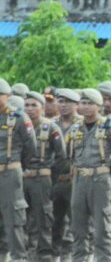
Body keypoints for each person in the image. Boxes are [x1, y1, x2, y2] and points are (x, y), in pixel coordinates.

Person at [67, 88, 111, 262]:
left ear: (99, 106)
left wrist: (107, 173)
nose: (86, 107)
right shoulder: (75, 128)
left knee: (102, 226)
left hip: (100, 180)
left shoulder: (110, 127)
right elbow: (68, 155)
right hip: (79, 180)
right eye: (83, 103)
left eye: (90, 104)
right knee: (78, 226)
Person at [24, 90, 67, 261]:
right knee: (21, 218)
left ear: (42, 108)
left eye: (34, 105)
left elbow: (61, 156)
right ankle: (25, 253)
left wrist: (50, 176)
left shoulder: (51, 127)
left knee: (44, 218)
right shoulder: (19, 125)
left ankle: (44, 255)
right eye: (26, 105)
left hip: (41, 178)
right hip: (21, 178)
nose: (30, 109)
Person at [0, 79, 36, 262]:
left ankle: (18, 257)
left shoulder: (19, 117)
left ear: (8, 97)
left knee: (14, 217)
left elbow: (31, 147)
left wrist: (17, 164)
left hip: (9, 171)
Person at [52, 88, 83, 260]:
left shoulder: (82, 124)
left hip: (76, 181)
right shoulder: (51, 124)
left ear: (76, 105)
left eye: (68, 102)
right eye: (60, 101)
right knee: (55, 222)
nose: (63, 106)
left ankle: (71, 256)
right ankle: (56, 255)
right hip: (56, 180)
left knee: (76, 223)